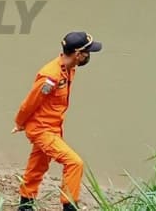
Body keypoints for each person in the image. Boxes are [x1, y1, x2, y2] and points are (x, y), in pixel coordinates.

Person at [12, 31, 103, 211]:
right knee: (74, 162)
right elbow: (30, 103)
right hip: (41, 130)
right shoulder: (50, 77)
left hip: (53, 127)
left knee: (38, 165)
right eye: (87, 52)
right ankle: (69, 206)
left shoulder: (69, 69)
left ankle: (25, 205)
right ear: (78, 54)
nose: (88, 56)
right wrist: (19, 123)